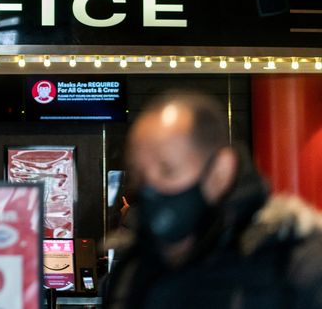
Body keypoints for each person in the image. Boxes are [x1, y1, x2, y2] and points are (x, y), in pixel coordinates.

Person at [102, 91, 322, 309]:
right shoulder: (132, 271)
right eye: (138, 175)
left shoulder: (296, 263)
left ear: (220, 171)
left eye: (168, 171)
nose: (151, 189)